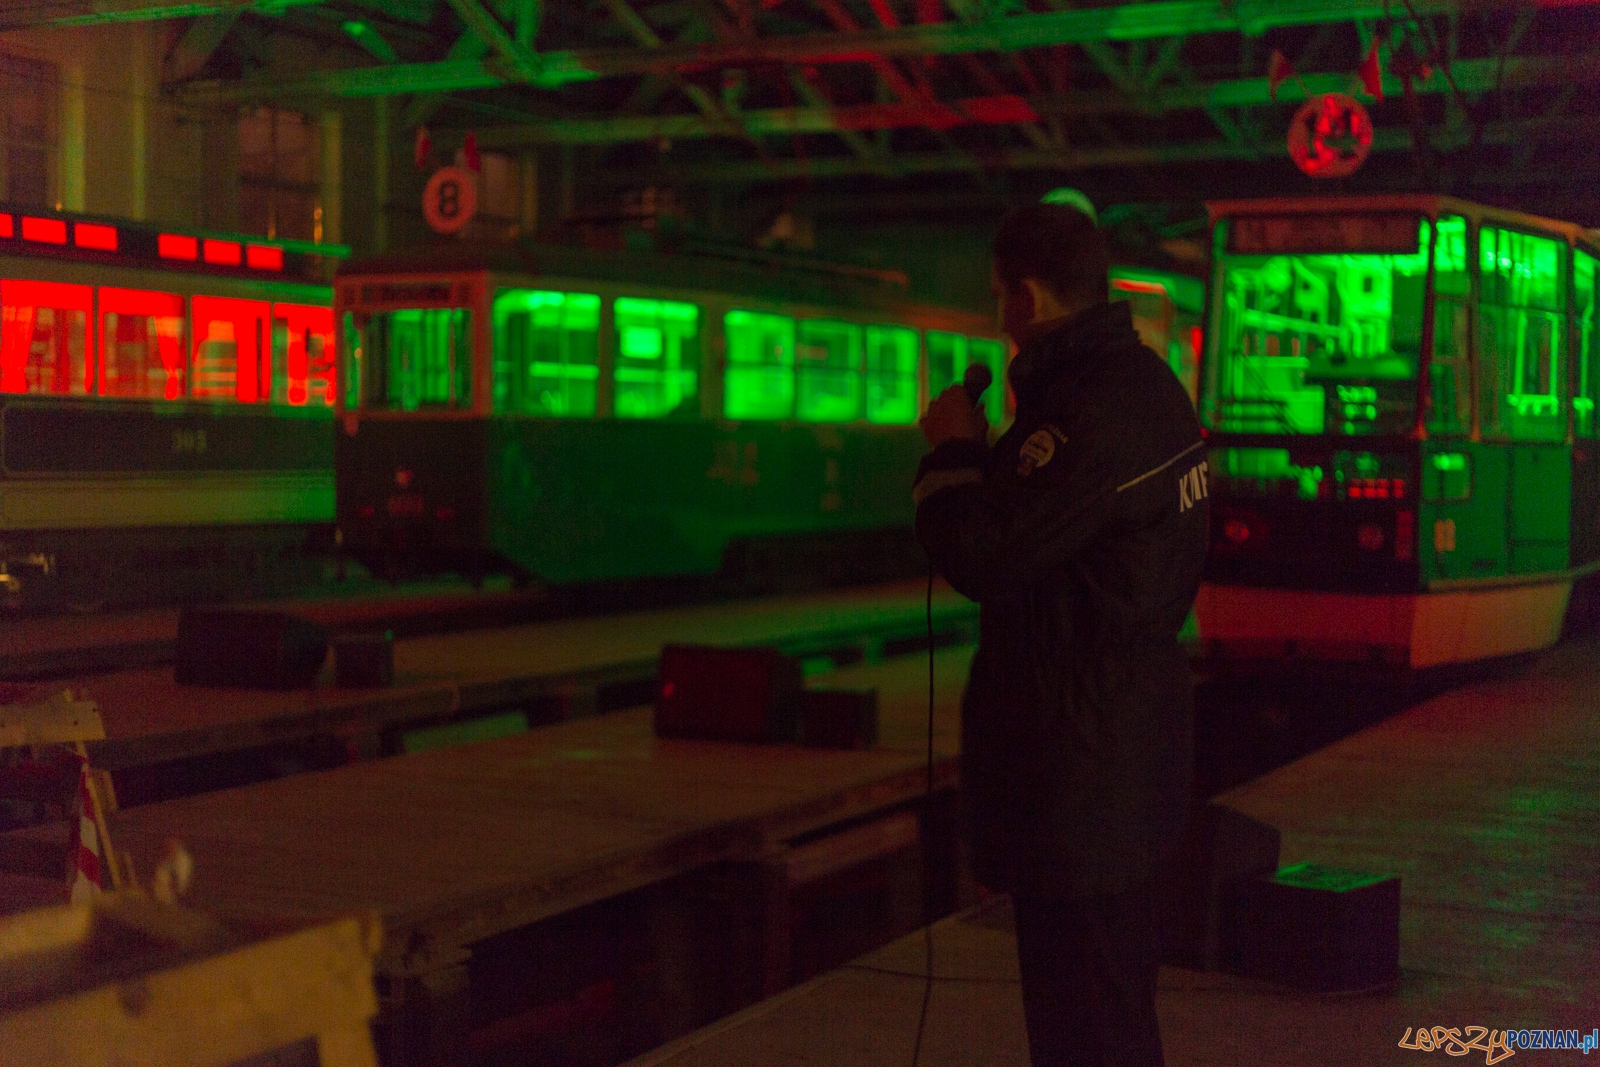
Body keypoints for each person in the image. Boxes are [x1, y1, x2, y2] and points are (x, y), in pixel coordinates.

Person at [914, 202, 1209, 1067]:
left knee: (1083, 1020)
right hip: (1120, 754)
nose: (999, 313)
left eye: (999, 294)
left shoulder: (1084, 414)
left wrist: (953, 452)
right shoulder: (1148, 387)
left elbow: (982, 552)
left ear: (1030, 298)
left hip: (1079, 772)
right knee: (1111, 1006)